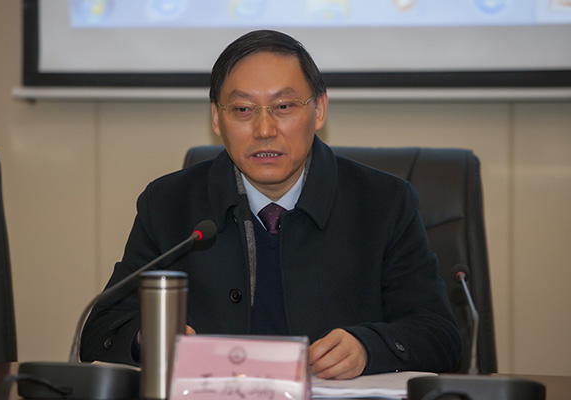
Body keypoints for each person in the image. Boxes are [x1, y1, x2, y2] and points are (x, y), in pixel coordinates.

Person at [81, 29, 461, 379]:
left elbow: (440, 335)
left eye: (284, 106)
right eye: (243, 110)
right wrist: (146, 340)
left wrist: (368, 347)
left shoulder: (384, 203)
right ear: (217, 118)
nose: (264, 130)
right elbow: (100, 331)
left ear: (319, 110)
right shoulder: (169, 205)